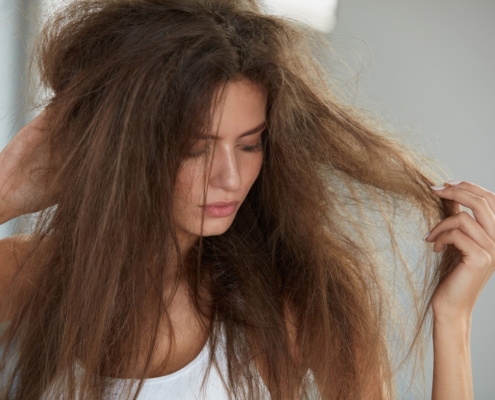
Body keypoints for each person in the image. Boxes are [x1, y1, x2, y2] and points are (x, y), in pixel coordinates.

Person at [0, 0, 494, 399]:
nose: (230, 178)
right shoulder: (27, 279)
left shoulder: (295, 305)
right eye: (195, 147)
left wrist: (453, 320)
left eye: (250, 143)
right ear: (125, 147)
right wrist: (4, 191)